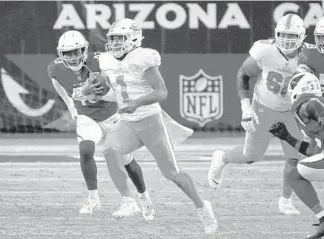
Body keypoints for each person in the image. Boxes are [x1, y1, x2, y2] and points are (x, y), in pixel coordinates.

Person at [98, 18, 217, 234]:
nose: (115, 43)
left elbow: (161, 92)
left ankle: (202, 207)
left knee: (173, 174)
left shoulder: (144, 57)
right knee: (108, 149)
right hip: (128, 123)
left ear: (133, 39)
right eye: (112, 39)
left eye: (119, 38)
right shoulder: (106, 61)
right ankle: (129, 200)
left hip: (150, 122)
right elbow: (116, 94)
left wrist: (136, 102)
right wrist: (95, 95)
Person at [47, 30, 154, 219]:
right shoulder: (55, 69)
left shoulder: (102, 62)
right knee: (86, 150)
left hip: (113, 116)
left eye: (76, 51)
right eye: (68, 53)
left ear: (84, 50)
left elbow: (118, 94)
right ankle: (93, 198)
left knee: (126, 160)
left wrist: (95, 94)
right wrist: (73, 105)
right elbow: (61, 87)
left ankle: (143, 196)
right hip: (88, 118)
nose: (72, 57)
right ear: (60, 54)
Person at [208, 13, 307, 215]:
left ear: (302, 37)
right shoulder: (265, 50)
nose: (287, 41)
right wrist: (246, 107)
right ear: (276, 34)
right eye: (283, 35)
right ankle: (222, 158)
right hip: (264, 107)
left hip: (292, 112)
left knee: (295, 158)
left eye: (292, 36)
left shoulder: (309, 56)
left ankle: (286, 200)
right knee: (250, 156)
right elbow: (243, 74)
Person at [269, 71, 324, 239]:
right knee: (297, 174)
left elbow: (317, 106)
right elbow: (314, 152)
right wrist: (288, 138)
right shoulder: (306, 113)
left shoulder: (311, 104)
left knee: (297, 173)